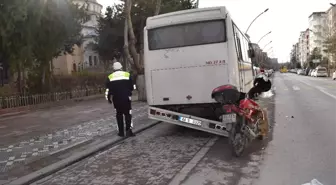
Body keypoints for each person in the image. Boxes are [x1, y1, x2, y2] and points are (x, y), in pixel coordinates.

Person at [105, 62, 135, 137]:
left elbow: (108, 90)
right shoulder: (127, 75)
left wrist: (108, 99)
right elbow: (132, 87)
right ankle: (129, 131)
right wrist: (129, 91)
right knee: (128, 114)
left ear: (113, 68)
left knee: (119, 115)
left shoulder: (110, 77)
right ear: (121, 67)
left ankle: (121, 132)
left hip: (116, 99)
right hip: (126, 98)